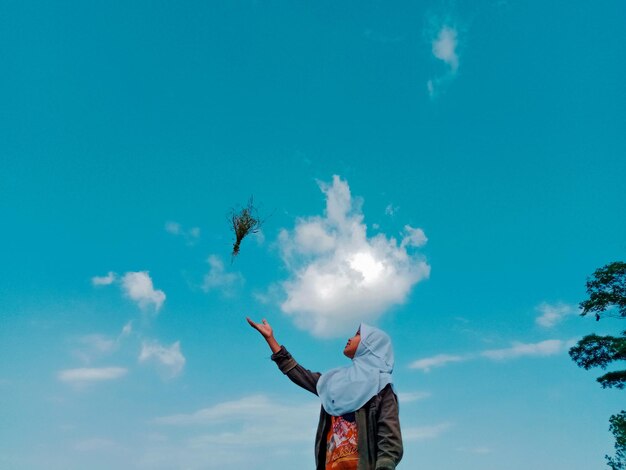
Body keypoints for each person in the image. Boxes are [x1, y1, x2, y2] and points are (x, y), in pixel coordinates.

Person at [247, 317, 403, 470]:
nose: (350, 338)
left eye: (357, 335)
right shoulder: (333, 383)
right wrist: (270, 339)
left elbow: (389, 438)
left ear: (371, 344)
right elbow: (299, 374)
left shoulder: (381, 386)